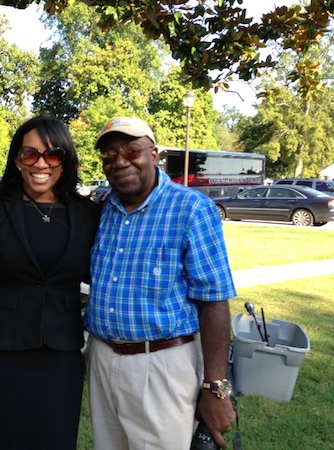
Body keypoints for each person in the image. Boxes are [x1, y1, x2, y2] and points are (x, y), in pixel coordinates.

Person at [83, 117, 237, 449]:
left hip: (161, 364)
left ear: (154, 154)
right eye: (109, 155)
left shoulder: (191, 208)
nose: (119, 161)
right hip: (101, 357)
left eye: (130, 150)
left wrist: (216, 386)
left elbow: (213, 301)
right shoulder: (102, 209)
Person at [0, 116, 100, 449]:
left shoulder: (87, 213)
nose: (41, 163)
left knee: (52, 438)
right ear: (16, 159)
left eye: (52, 155)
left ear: (65, 162)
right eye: (30, 154)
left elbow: (92, 269)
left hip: (59, 353)